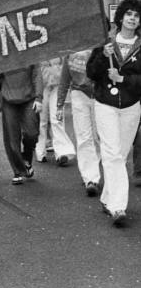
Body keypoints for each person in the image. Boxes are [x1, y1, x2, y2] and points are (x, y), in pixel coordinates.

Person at [86, 0, 141, 226]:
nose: (132, 18)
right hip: (106, 104)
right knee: (112, 153)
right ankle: (118, 207)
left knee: (121, 153)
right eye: (128, 14)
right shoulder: (106, 43)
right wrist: (101, 55)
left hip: (130, 105)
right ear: (120, 17)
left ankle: (108, 196)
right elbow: (91, 72)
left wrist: (124, 79)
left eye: (136, 16)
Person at [57, 48, 101, 196]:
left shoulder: (100, 43)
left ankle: (106, 171)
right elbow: (64, 78)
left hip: (101, 94)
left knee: (100, 137)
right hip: (78, 94)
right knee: (84, 138)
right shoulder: (70, 49)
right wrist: (59, 104)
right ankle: (90, 178)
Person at [0, 66, 43, 185]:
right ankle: (18, 171)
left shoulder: (28, 51)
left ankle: (26, 158)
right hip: (9, 100)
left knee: (32, 133)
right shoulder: (0, 54)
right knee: (12, 138)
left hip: (29, 99)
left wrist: (39, 98)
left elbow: (37, 75)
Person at [35, 57, 76, 166]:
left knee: (56, 118)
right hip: (40, 85)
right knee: (41, 120)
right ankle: (40, 151)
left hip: (58, 82)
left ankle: (62, 152)